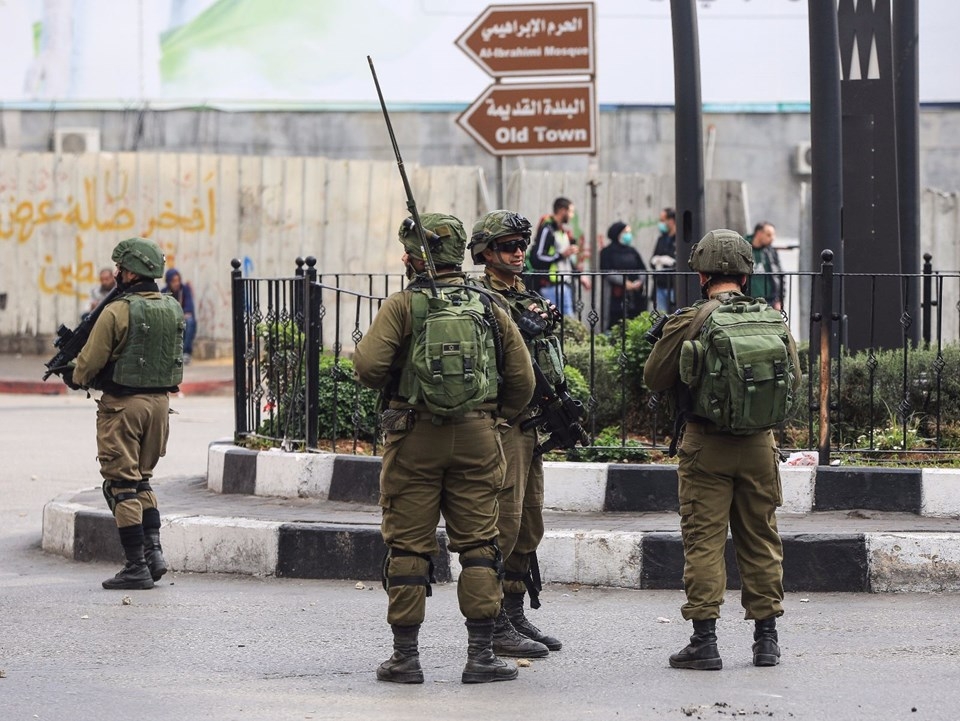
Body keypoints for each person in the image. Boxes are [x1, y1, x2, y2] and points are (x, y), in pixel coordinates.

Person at [353, 212, 535, 685]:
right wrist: (496, 417)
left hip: (414, 437)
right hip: (478, 437)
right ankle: (480, 657)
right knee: (479, 544)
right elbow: (523, 380)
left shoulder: (403, 304)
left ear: (413, 258)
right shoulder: (488, 304)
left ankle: (405, 659)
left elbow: (369, 368)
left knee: (409, 546)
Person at [643, 229, 801, 671]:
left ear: (701, 273)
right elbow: (796, 378)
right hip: (759, 446)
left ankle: (705, 641)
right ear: (747, 273)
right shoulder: (771, 319)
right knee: (761, 539)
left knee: (704, 541)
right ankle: (766, 640)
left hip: (706, 446)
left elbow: (654, 377)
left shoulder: (692, 319)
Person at [467, 210, 566, 661]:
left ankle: (514, 608)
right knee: (503, 523)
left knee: (530, 521)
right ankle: (491, 625)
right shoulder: (479, 299)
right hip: (504, 423)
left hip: (532, 423)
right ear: (486, 253)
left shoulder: (523, 294)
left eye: (522, 244)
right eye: (509, 246)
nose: (519, 252)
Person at [65, 237, 185, 591]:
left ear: (131, 271)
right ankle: (154, 554)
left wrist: (74, 375)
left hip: (123, 407)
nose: (115, 272)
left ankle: (136, 566)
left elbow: (88, 363)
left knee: (121, 486)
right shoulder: (172, 306)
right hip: (160, 407)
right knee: (142, 480)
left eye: (119, 267)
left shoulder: (117, 310)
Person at [529, 197, 580, 318]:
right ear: (562, 210)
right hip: (550, 286)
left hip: (564, 284)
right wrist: (562, 255)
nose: (572, 215)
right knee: (557, 325)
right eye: (571, 211)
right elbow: (537, 257)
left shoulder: (561, 230)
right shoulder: (548, 229)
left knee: (567, 325)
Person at [599, 220, 647, 331]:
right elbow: (607, 272)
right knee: (615, 324)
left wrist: (638, 282)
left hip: (634, 295)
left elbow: (642, 269)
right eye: (625, 232)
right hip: (615, 295)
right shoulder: (607, 251)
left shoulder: (632, 251)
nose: (628, 235)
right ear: (617, 234)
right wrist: (624, 282)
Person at [747, 221, 784, 310]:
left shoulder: (771, 252)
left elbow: (779, 276)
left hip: (769, 302)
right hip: (747, 301)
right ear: (759, 233)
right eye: (768, 235)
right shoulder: (743, 248)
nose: (772, 238)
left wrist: (779, 300)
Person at [162, 268, 196, 363]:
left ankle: (186, 353)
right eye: (173, 281)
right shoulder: (164, 292)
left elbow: (189, 308)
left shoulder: (185, 290)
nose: (176, 283)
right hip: (170, 319)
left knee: (190, 321)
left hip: (182, 318)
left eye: (178, 281)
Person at [650, 207, 677, 313]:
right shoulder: (661, 239)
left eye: (662, 220)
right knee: (660, 318)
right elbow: (652, 260)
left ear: (671, 220)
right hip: (660, 284)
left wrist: (671, 262)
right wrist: (656, 261)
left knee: (675, 316)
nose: (661, 223)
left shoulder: (679, 239)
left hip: (673, 285)